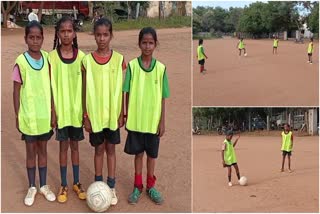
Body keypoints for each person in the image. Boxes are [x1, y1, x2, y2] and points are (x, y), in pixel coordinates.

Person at [123, 27, 170, 205]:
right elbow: (126, 92)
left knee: (152, 156)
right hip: (136, 121)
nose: (147, 46)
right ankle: (137, 186)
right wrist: (127, 115)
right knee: (138, 155)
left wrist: (162, 121)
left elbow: (163, 97)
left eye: (151, 43)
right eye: (144, 42)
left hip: (153, 122)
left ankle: (151, 186)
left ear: (155, 44)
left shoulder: (161, 68)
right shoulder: (133, 67)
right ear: (139, 44)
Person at [82, 17, 125, 206]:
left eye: (105, 35)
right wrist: (86, 115)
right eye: (98, 35)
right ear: (94, 36)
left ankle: (111, 186)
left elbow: (121, 90)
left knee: (111, 150)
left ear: (111, 35)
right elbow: (84, 90)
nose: (101, 39)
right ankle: (99, 183)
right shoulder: (87, 61)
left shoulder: (119, 59)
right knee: (99, 150)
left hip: (112, 116)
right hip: (95, 116)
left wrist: (121, 113)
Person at [13, 21, 56, 206]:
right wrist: (17, 115)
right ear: (26, 39)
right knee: (31, 152)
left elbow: (52, 87)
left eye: (38, 37)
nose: (35, 41)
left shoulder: (48, 59)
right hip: (29, 117)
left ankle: (44, 185)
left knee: (43, 151)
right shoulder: (20, 61)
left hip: (44, 115)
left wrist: (53, 111)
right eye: (31, 37)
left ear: (43, 39)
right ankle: (32, 186)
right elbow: (16, 90)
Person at [49, 16, 86, 203]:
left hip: (77, 113)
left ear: (74, 33)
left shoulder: (82, 58)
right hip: (62, 113)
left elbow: (87, 87)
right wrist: (53, 111)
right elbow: (49, 86)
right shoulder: (51, 57)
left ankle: (76, 181)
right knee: (63, 148)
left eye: (69, 31)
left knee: (75, 147)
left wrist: (85, 112)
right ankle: (63, 183)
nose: (66, 34)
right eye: (62, 31)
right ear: (57, 33)